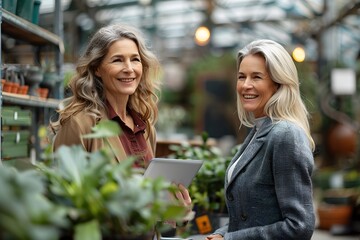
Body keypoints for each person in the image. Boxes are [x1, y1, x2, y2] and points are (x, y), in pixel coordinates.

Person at [49, 23, 192, 231]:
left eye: (135, 59)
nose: (129, 68)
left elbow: (149, 203)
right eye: (117, 60)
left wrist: (175, 210)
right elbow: (63, 202)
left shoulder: (145, 126)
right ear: (97, 68)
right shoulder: (80, 123)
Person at [206, 39, 316, 240]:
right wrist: (221, 234)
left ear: (277, 83)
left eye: (256, 77)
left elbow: (299, 227)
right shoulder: (259, 130)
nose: (246, 85)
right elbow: (250, 217)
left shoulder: (285, 135)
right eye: (241, 77)